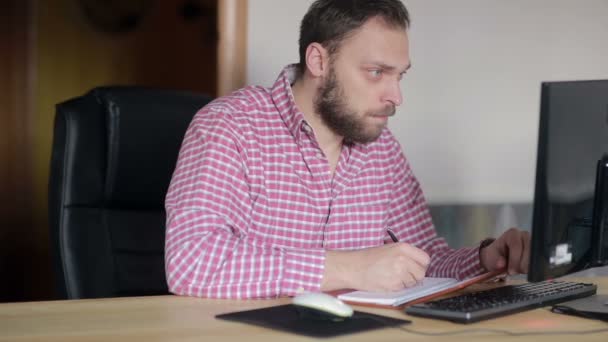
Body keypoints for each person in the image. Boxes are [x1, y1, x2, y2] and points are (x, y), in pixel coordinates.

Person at [164, 0, 530, 299]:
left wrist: (485, 259)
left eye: (399, 75)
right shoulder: (229, 126)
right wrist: (351, 267)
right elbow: (192, 262)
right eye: (376, 72)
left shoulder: (382, 148)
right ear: (319, 61)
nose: (396, 96)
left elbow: (421, 260)